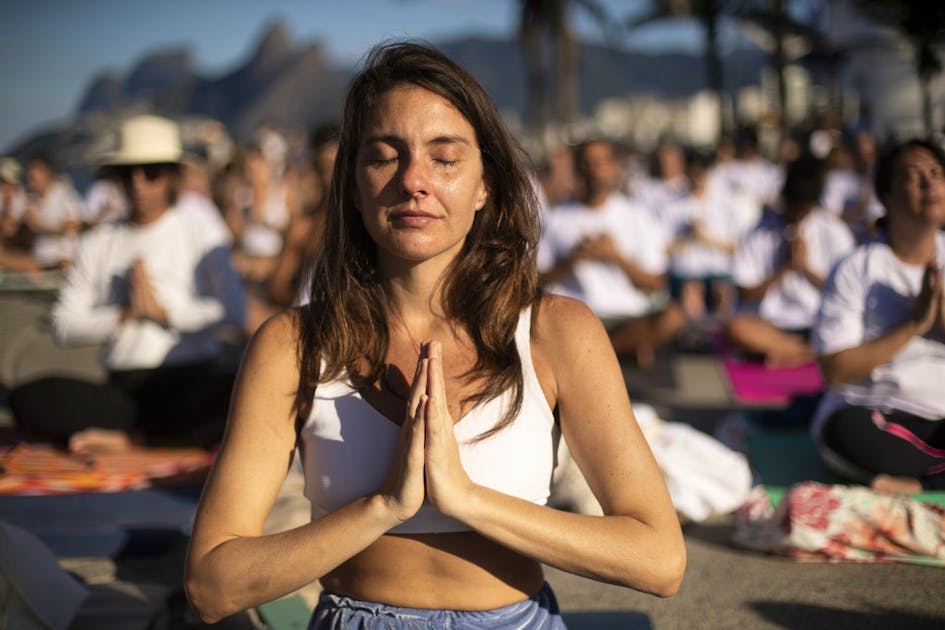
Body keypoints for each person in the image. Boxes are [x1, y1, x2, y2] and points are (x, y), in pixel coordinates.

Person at [185, 43, 685, 626]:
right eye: (384, 157)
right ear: (351, 183)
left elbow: (659, 560)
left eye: (445, 159)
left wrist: (467, 500)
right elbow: (211, 583)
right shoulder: (293, 346)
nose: (414, 181)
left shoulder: (558, 332)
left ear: (485, 186)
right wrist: (384, 506)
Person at [9, 115, 246, 454]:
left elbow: (233, 312)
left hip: (192, 377)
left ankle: (134, 440)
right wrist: (124, 315)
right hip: (124, 389)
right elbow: (64, 324)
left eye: (151, 173)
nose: (138, 183)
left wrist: (164, 312)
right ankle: (149, 437)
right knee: (28, 398)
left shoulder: (201, 231)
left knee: (243, 389)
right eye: (127, 173)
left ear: (171, 177)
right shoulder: (99, 242)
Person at [811, 139, 945, 493]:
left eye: (936, 174)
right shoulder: (857, 267)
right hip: (877, 413)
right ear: (885, 195)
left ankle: (919, 483)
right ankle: (930, 479)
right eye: (914, 176)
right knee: (844, 431)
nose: (929, 185)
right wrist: (915, 325)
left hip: (940, 420)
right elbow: (833, 369)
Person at [539, 138, 684, 367]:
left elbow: (655, 283)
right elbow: (535, 279)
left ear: (614, 166)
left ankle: (602, 350)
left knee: (672, 318)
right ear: (578, 169)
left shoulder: (637, 215)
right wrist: (574, 259)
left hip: (627, 317)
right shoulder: (556, 217)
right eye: (588, 163)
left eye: (602, 162)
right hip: (575, 315)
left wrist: (615, 257)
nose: (595, 170)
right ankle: (617, 350)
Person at [725, 157, 855, 366]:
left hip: (819, 323)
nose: (795, 215)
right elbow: (745, 293)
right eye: (791, 207)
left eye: (802, 210)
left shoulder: (834, 231)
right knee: (736, 328)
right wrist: (786, 268)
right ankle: (807, 353)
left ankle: (794, 353)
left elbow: (847, 292)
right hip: (773, 326)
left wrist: (805, 268)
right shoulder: (759, 232)